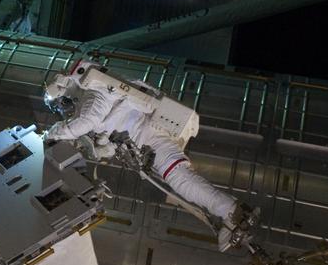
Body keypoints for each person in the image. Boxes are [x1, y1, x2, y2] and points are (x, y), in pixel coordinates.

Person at [43, 65, 255, 251]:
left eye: (61, 104)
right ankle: (227, 213)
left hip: (150, 134)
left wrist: (52, 134)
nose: (63, 110)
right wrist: (98, 150)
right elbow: (107, 137)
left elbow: (86, 122)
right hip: (142, 141)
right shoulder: (90, 99)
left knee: (178, 178)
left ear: (66, 91)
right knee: (176, 181)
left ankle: (232, 211)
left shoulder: (93, 91)